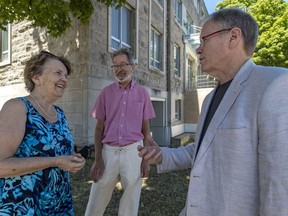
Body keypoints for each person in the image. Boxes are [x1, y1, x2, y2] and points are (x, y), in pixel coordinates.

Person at [138, 8, 288, 216]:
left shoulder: (275, 85)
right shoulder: (210, 98)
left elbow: (279, 187)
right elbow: (202, 149)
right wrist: (162, 154)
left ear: (233, 37)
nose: (198, 49)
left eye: (204, 40)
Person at [0, 51, 86, 215]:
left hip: (60, 203)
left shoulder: (59, 113)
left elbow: (59, 152)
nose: (64, 79)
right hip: (23, 206)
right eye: (58, 73)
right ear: (36, 77)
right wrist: (56, 161)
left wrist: (74, 158)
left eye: (66, 75)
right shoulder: (17, 107)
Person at [85, 48, 155, 216]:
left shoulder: (142, 94)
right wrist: (98, 159)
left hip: (134, 152)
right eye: (115, 65)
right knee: (96, 198)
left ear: (133, 67)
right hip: (109, 152)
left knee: (131, 203)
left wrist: (146, 160)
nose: (118, 69)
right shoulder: (106, 93)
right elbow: (99, 128)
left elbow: (146, 129)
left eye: (123, 64)